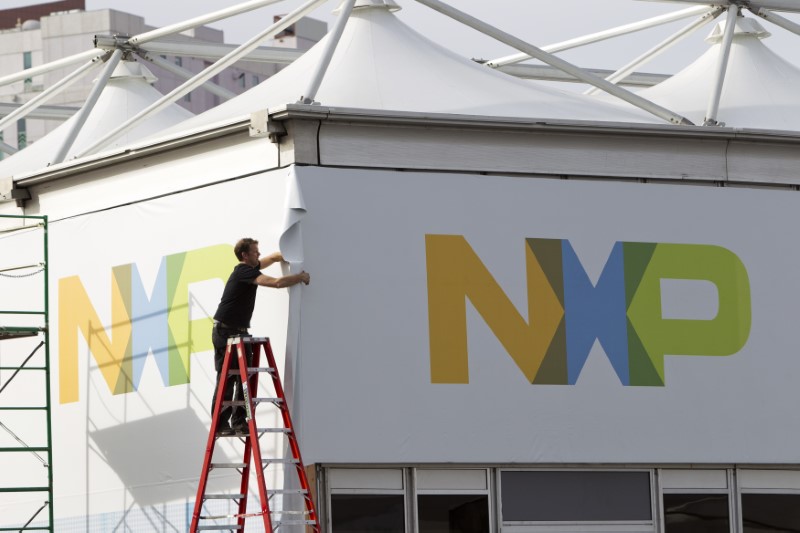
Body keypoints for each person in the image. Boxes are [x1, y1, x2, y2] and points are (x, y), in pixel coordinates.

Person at [211, 238, 310, 436]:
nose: (258, 254)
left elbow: (272, 258)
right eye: (255, 252)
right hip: (226, 332)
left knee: (243, 377)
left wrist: (290, 256)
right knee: (228, 378)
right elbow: (277, 282)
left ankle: (239, 422)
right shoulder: (243, 271)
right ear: (244, 255)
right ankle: (221, 424)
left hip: (237, 331)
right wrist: (300, 277)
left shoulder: (250, 266)